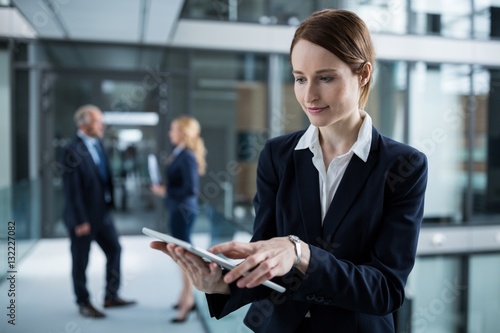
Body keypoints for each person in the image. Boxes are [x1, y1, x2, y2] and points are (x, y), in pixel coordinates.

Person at [150, 8, 428, 333]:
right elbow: (266, 258)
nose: (308, 95)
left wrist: (302, 253)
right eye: (299, 78)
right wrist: (221, 284)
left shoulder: (404, 166)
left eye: (325, 77)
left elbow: (386, 290)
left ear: (363, 74)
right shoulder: (277, 156)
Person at [61, 104, 136, 318]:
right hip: (82, 217)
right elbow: (71, 190)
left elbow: (105, 177)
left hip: (102, 214)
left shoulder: (99, 144)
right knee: (81, 260)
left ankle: (110, 296)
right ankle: (83, 302)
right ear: (83, 124)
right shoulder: (71, 149)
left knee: (114, 250)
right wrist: (80, 220)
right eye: (97, 121)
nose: (102, 124)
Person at [150, 115, 207, 323]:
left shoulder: (187, 156)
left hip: (183, 211)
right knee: (181, 256)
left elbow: (191, 188)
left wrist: (165, 190)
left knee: (183, 256)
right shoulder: (180, 153)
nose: (169, 133)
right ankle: (185, 297)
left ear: (183, 132)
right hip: (178, 209)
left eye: (173, 129)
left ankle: (187, 301)